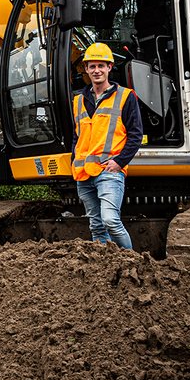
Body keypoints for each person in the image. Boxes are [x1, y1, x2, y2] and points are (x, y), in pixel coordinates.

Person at [71, 42, 143, 249]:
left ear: (109, 68)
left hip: (109, 171)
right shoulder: (78, 101)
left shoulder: (125, 96)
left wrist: (120, 162)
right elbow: (77, 136)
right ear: (86, 69)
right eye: (92, 66)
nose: (96, 70)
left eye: (101, 66)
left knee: (110, 220)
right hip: (84, 174)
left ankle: (131, 262)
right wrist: (73, 160)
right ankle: (104, 267)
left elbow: (135, 135)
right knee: (97, 226)